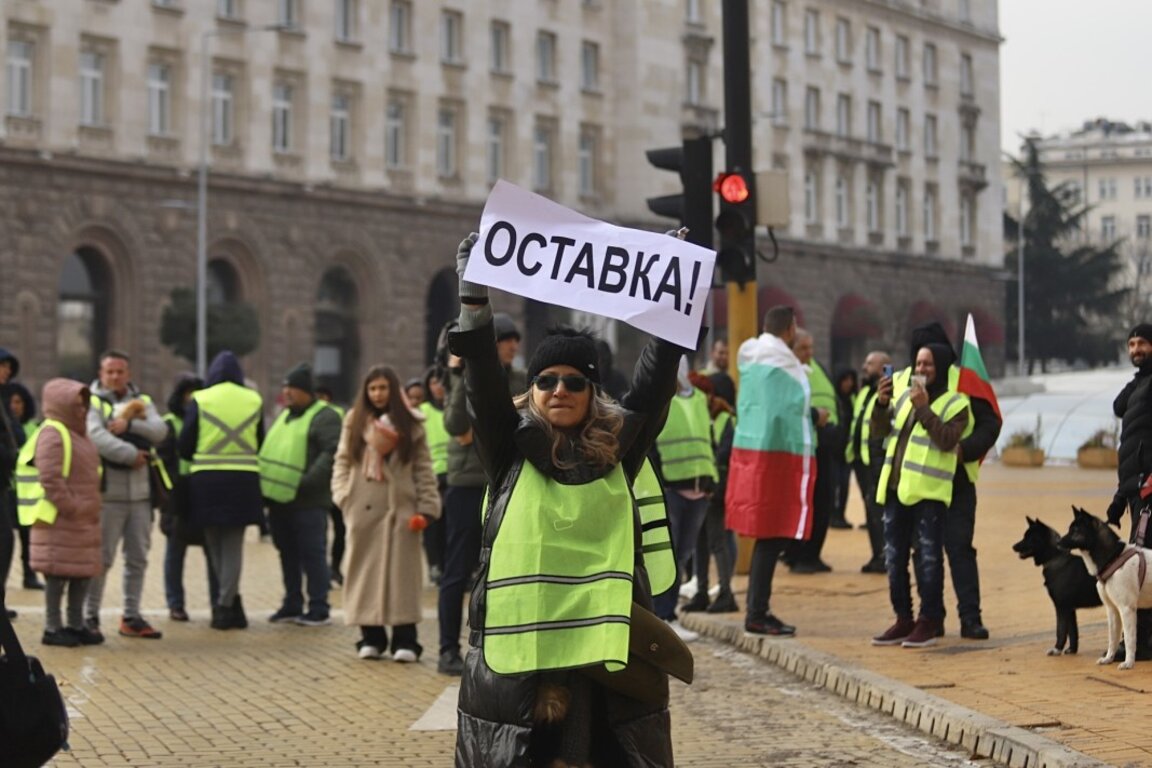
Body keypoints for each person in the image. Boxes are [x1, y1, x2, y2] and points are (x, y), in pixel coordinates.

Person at [449, 232, 688, 767]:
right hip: (520, 669)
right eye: (547, 379)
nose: (559, 389)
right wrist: (473, 303)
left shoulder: (620, 448)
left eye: (575, 382)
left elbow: (652, 387)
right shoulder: (506, 447)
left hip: (602, 662)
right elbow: (482, 381)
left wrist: (670, 295)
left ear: (593, 392)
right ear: (531, 389)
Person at [331, 365, 440, 662]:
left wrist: (428, 506)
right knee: (364, 573)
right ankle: (371, 637)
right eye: (372, 388)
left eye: (383, 388)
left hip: (401, 511)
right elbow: (341, 461)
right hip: (363, 509)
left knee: (402, 576)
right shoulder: (354, 421)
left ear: (394, 391)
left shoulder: (412, 424)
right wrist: (343, 496)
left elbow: (422, 469)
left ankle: (406, 639)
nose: (378, 394)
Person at [437, 314, 526, 676]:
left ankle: (500, 644)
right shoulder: (461, 377)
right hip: (467, 483)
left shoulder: (522, 379)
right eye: (507, 340)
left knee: (507, 569)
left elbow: (520, 422)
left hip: (507, 480)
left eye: (515, 341)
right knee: (456, 571)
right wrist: (463, 374)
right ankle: (447, 649)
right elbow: (456, 425)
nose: (514, 347)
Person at [870, 343, 970, 648]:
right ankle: (903, 618)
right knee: (894, 558)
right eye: (918, 363)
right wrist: (882, 403)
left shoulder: (956, 403)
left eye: (927, 364)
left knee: (927, 559)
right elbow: (880, 432)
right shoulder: (904, 397)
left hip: (929, 494)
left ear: (940, 367)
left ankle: (929, 620)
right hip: (895, 489)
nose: (921, 370)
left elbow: (947, 440)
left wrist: (924, 408)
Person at [726, 306, 812, 636]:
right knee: (770, 535)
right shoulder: (783, 365)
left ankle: (757, 611)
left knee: (767, 534)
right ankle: (757, 613)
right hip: (776, 460)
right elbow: (790, 410)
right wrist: (813, 416)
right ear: (789, 330)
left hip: (752, 456)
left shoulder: (751, 360)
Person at [84, 350, 168, 641]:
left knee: (138, 559)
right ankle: (89, 616)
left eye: (120, 371)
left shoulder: (142, 402)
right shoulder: (91, 402)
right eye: (110, 371)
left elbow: (160, 430)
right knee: (101, 559)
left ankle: (131, 617)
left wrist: (130, 426)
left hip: (141, 496)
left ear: (128, 374)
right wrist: (131, 454)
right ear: (101, 373)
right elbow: (96, 437)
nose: (116, 376)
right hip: (108, 495)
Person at [179, 350, 264, 630]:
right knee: (233, 545)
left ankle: (224, 605)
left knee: (213, 542)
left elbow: (185, 444)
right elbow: (260, 440)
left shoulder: (201, 399)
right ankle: (229, 602)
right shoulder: (254, 399)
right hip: (243, 479)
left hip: (206, 479)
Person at [20, 379, 103, 647]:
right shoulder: (53, 433)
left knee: (82, 573)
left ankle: (75, 625)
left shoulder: (80, 434)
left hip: (82, 519)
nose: (82, 409)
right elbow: (51, 478)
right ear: (61, 404)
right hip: (60, 518)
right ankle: (53, 628)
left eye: (84, 404)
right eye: (77, 404)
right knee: (56, 576)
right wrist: (73, 507)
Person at [259, 363, 342, 627]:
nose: (287, 393)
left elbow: (330, 453)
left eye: (292, 388)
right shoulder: (285, 416)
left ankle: (319, 606)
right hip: (280, 500)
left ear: (307, 391)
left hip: (308, 501)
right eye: (285, 388)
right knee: (287, 552)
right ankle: (292, 602)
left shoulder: (324, 416)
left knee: (313, 554)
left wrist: (305, 482)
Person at [651, 358, 717, 641]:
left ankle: (667, 612)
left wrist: (713, 477)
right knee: (669, 555)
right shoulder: (659, 400)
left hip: (700, 487)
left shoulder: (700, 399)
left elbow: (706, 439)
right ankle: (664, 615)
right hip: (672, 489)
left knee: (683, 554)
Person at [1107, 322, 1152, 659]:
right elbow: (1132, 449)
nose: (1136, 349)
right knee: (1141, 564)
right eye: (1132, 343)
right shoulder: (1138, 386)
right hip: (1136, 490)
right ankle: (1142, 641)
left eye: (1142, 343)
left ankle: (1142, 642)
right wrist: (1120, 497)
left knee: (1144, 567)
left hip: (1149, 490)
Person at [158, 373, 218, 622]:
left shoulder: (209, 420)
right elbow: (162, 461)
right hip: (177, 496)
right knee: (175, 552)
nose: (191, 399)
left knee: (213, 552)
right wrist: (168, 494)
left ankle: (218, 603)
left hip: (203, 492)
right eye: (187, 394)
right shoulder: (169, 423)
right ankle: (175, 604)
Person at [681, 371, 739, 614]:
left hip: (716, 485)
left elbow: (723, 452)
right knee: (700, 541)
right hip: (701, 485)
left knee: (717, 540)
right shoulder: (699, 415)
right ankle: (702, 591)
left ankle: (726, 592)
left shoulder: (725, 418)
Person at [788, 329, 835, 573]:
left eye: (810, 347)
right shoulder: (789, 371)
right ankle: (800, 554)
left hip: (821, 445)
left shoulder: (816, 369)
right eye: (804, 348)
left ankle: (811, 554)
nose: (809, 353)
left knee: (822, 503)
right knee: (808, 503)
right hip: (803, 448)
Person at [848, 351, 891, 574]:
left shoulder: (887, 392)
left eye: (870, 364)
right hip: (862, 461)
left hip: (877, 463)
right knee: (870, 513)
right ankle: (877, 555)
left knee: (879, 513)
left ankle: (885, 555)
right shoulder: (865, 391)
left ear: (884, 367)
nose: (864, 367)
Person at [5, 380, 43, 590]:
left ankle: (30, 576)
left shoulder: (34, 428)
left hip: (29, 494)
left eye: (18, 401)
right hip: (8, 491)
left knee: (29, 540)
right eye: (11, 402)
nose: (14, 406)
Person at [0, 347, 26, 619]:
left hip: (3, 483)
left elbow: (17, 435)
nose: (7, 371)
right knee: (4, 540)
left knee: (5, 541)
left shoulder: (4, 400)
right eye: (3, 366)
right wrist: (9, 454)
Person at [418, 366, 448, 585]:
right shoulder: (422, 412)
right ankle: (434, 564)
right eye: (433, 383)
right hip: (431, 477)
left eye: (441, 381)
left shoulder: (457, 408)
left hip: (454, 476)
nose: (437, 387)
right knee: (432, 526)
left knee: (453, 526)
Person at [315, 386, 348, 587]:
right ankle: (329, 570)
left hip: (334, 482)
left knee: (339, 529)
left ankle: (334, 568)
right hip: (326, 483)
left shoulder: (335, 415)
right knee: (330, 530)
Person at [830, 368, 857, 530]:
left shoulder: (852, 399)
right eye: (845, 379)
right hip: (834, 449)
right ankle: (833, 516)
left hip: (847, 451)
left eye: (851, 380)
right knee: (835, 485)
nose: (849, 383)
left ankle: (840, 515)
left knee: (844, 485)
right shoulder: (834, 399)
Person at [701, 337, 737, 408]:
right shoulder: (702, 377)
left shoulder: (730, 377)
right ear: (712, 353)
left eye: (727, 353)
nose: (724, 357)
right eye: (721, 353)